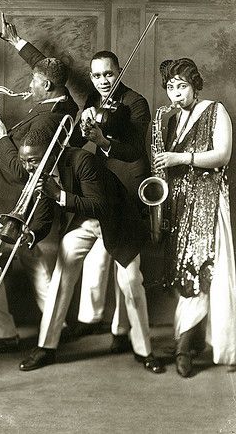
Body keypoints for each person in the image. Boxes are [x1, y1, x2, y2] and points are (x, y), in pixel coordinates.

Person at [0, 14, 79, 354]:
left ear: (45, 86)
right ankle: (56, 324)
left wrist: (1, 139)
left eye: (33, 81)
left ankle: (3, 332)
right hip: (28, 206)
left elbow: (19, 170)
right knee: (34, 266)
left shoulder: (45, 123)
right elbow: (48, 70)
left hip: (11, 202)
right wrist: (18, 43)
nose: (28, 86)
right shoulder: (65, 105)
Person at [17, 126, 164, 374]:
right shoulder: (40, 171)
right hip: (87, 220)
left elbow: (100, 205)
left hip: (117, 220)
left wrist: (59, 195)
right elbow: (43, 212)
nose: (28, 167)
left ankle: (144, 350)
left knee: (130, 283)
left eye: (32, 161)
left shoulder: (82, 159)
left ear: (52, 153)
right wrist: (31, 233)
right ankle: (46, 347)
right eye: (24, 161)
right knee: (62, 272)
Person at [154, 58, 236, 377]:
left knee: (201, 268)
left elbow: (223, 155)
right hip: (181, 203)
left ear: (195, 86)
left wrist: (179, 157)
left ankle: (184, 347)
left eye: (182, 87)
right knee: (182, 270)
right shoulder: (173, 121)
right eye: (171, 88)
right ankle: (189, 341)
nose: (176, 94)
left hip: (209, 201)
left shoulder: (216, 110)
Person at [67, 50, 152, 351]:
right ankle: (92, 321)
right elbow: (78, 141)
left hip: (128, 188)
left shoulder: (136, 103)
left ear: (118, 72)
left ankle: (122, 330)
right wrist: (82, 125)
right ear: (91, 77)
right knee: (98, 257)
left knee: (126, 266)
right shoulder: (91, 101)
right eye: (98, 75)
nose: (104, 80)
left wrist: (103, 141)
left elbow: (133, 150)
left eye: (109, 74)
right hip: (103, 190)